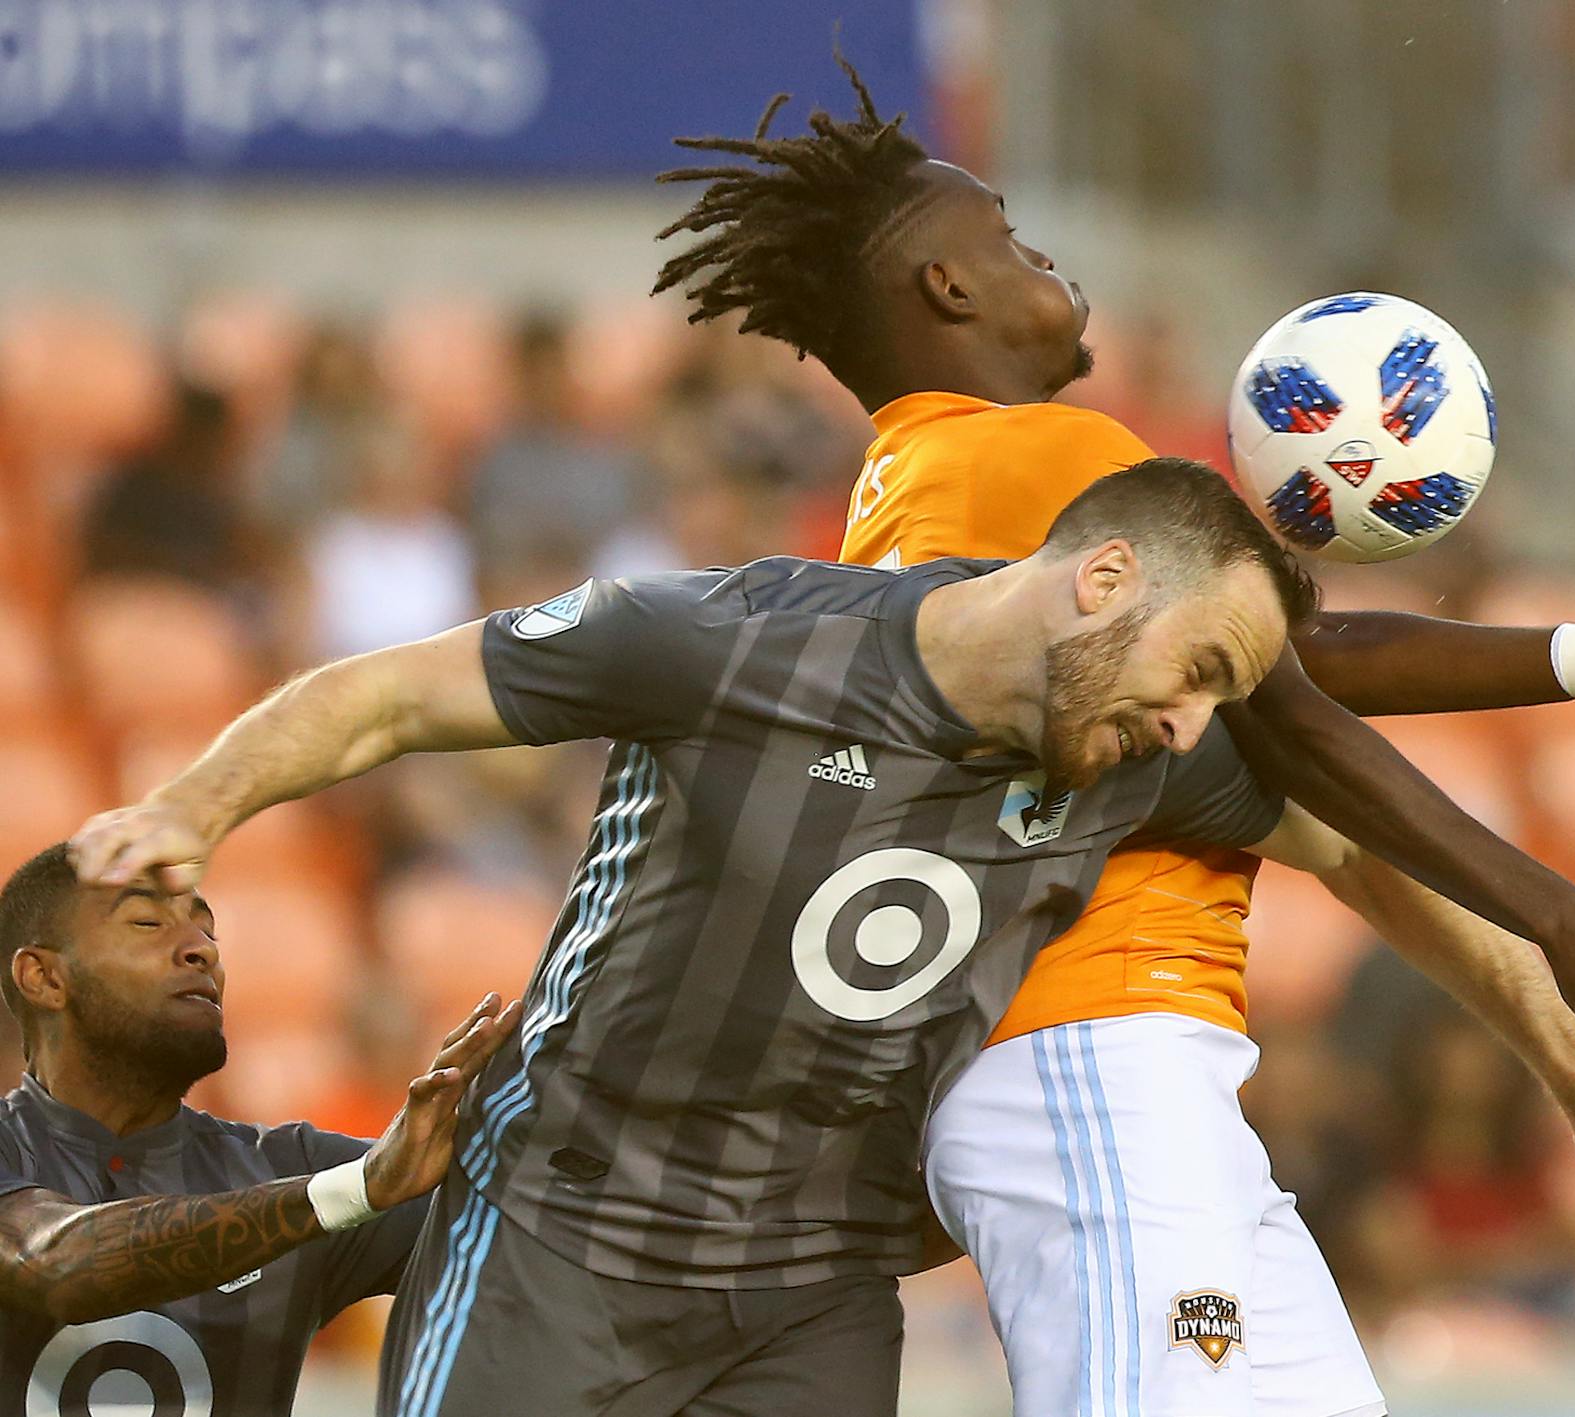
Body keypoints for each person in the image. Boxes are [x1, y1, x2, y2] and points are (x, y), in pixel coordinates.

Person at [650, 69, 1575, 1415]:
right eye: (1010, 238)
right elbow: (1297, 711)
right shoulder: (1011, 455)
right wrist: (1565, 916)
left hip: (1150, 1083)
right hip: (1085, 1063)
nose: (1043, 254)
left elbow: (1292, 666)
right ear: (947, 289)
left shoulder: (960, 484)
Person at [73, 460, 1357, 1416]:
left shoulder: (1128, 754)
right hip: (560, 1241)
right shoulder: (727, 641)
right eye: (1200, 670)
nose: (1196, 724)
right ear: (1108, 579)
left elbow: (1370, 840)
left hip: (815, 1290)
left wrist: (1546, 975)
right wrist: (195, 804)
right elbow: (390, 697)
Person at [0, 843, 518, 1416]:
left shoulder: (290, 1163)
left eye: (208, 931)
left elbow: (549, 1244)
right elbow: (53, 1263)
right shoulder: (331, 1184)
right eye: (147, 923)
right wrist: (351, 1191)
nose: (200, 950)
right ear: (43, 977)